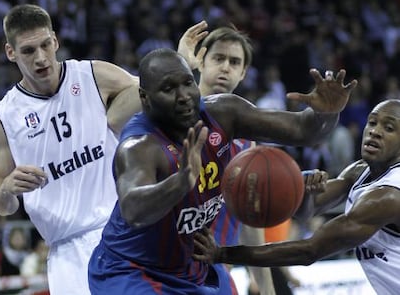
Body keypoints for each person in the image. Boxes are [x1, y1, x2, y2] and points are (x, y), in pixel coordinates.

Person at [87, 47, 356, 294]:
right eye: (169, 89)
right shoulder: (139, 146)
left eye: (187, 83)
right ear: (145, 98)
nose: (183, 97)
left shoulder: (223, 112)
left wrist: (326, 113)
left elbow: (303, 129)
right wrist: (180, 182)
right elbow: (134, 210)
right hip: (132, 269)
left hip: (194, 264)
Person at [0, 4, 140, 295]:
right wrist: (7, 187)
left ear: (55, 40)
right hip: (66, 253)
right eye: (29, 51)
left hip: (123, 229)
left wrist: (182, 61)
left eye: (45, 45)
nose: (41, 58)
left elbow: (153, 92)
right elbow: (0, 203)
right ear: (11, 53)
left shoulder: (94, 76)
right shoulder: (4, 117)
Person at [193, 99, 400, 295]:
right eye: (372, 122)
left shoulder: (387, 196)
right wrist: (308, 194)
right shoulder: (359, 171)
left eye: (389, 128)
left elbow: (311, 250)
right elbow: (306, 212)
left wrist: (223, 254)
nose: (375, 131)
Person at [178, 22, 275, 295]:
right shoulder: (173, 118)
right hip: (167, 268)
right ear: (200, 61)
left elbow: (248, 222)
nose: (225, 67)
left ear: (243, 73)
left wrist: (267, 289)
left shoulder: (246, 141)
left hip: (216, 274)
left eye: (234, 62)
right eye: (218, 58)